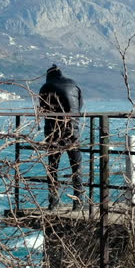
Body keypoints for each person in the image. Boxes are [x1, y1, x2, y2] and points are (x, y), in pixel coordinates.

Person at [39, 64, 84, 210]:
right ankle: (78, 203)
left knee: (53, 168)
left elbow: (43, 109)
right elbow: (80, 106)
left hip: (54, 132)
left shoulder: (46, 87)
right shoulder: (74, 84)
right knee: (76, 168)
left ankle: (53, 202)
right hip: (73, 131)